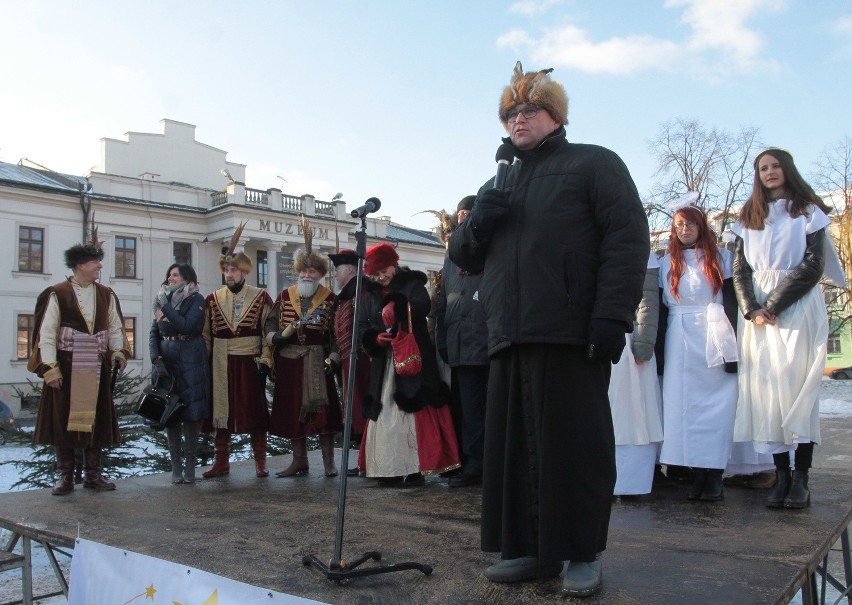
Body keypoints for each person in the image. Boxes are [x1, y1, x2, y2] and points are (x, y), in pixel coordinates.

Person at [448, 62, 649, 597]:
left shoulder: (594, 164)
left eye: (530, 110)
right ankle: (534, 551)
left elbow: (626, 241)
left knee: (575, 447)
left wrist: (612, 314)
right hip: (509, 332)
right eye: (510, 113)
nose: (519, 119)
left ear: (556, 117)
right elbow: (463, 256)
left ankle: (583, 552)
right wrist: (480, 217)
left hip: (568, 328)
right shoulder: (497, 183)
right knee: (515, 451)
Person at [732, 147, 845, 509]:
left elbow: (813, 266)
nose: (769, 172)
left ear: (787, 169)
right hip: (759, 321)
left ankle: (802, 478)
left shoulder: (809, 213)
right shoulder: (748, 219)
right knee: (769, 396)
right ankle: (781, 477)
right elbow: (740, 270)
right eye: (763, 168)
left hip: (796, 308)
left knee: (797, 392)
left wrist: (774, 304)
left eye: (775, 166)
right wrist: (752, 309)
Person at [28, 236, 130, 495]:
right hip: (67, 366)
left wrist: (118, 351)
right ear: (80, 265)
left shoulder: (106, 294)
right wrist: (49, 368)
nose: (99, 266)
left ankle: (93, 474)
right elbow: (47, 334)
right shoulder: (57, 294)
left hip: (96, 366)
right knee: (63, 421)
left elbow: (115, 326)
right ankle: (65, 476)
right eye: (95, 261)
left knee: (95, 421)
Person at [657, 198, 739, 503]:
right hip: (679, 337)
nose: (685, 229)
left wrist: (733, 349)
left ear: (701, 226)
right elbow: (663, 309)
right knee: (682, 407)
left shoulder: (721, 257)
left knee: (716, 406)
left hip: (714, 333)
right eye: (679, 224)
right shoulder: (667, 261)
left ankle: (714, 474)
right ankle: (694, 471)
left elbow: (730, 300)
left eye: (690, 223)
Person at [358, 242, 460, 487]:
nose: (381, 278)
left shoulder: (413, 283)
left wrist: (399, 304)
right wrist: (374, 338)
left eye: (384, 272)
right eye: (376, 274)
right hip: (384, 363)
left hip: (414, 359)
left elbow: (424, 306)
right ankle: (387, 467)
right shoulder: (369, 293)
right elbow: (362, 325)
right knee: (385, 415)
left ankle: (415, 468)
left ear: (393, 265)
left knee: (415, 411)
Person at [263, 228, 342, 478]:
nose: (307, 275)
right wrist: (274, 337)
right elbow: (270, 322)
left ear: (320, 274)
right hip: (290, 362)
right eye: (303, 271)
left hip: (319, 361)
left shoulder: (330, 299)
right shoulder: (285, 296)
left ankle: (329, 462)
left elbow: (337, 334)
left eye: (312, 272)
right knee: (291, 413)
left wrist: (334, 357)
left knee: (324, 414)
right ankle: (299, 461)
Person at [202, 225, 273, 479]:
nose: (228, 274)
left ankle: (261, 462)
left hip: (250, 362)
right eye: (226, 270)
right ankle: (221, 461)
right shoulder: (212, 298)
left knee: (254, 411)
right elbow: (206, 335)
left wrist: (266, 359)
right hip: (221, 362)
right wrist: (204, 364)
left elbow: (268, 332)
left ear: (244, 272)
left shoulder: (261, 297)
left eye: (233, 270)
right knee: (221, 413)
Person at [435, 195, 490, 488]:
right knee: (468, 411)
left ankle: (495, 464)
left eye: (468, 212)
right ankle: (473, 464)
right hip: (461, 345)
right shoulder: (450, 256)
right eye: (460, 214)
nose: (463, 217)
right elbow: (444, 301)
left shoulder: (492, 247)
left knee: (494, 409)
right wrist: (442, 338)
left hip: (491, 342)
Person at [149, 263, 210, 484]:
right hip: (167, 360)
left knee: (191, 414)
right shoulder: (160, 300)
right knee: (170, 413)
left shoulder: (196, 299)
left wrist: (166, 307)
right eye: (169, 275)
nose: (170, 278)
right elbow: (154, 332)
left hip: (190, 360)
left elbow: (187, 326)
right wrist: (156, 359)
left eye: (175, 275)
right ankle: (175, 466)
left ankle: (190, 467)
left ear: (187, 278)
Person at [609, 252, 663, 498]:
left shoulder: (644, 256)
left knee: (635, 413)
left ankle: (630, 483)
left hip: (630, 343)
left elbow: (647, 303)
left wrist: (643, 345)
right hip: (601, 338)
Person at [328, 248, 371, 477]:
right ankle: (364, 460)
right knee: (357, 411)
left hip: (362, 361)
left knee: (364, 410)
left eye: (338, 270)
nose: (335, 275)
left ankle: (368, 461)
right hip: (350, 362)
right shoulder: (348, 294)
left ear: (351, 270)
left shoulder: (361, 292)